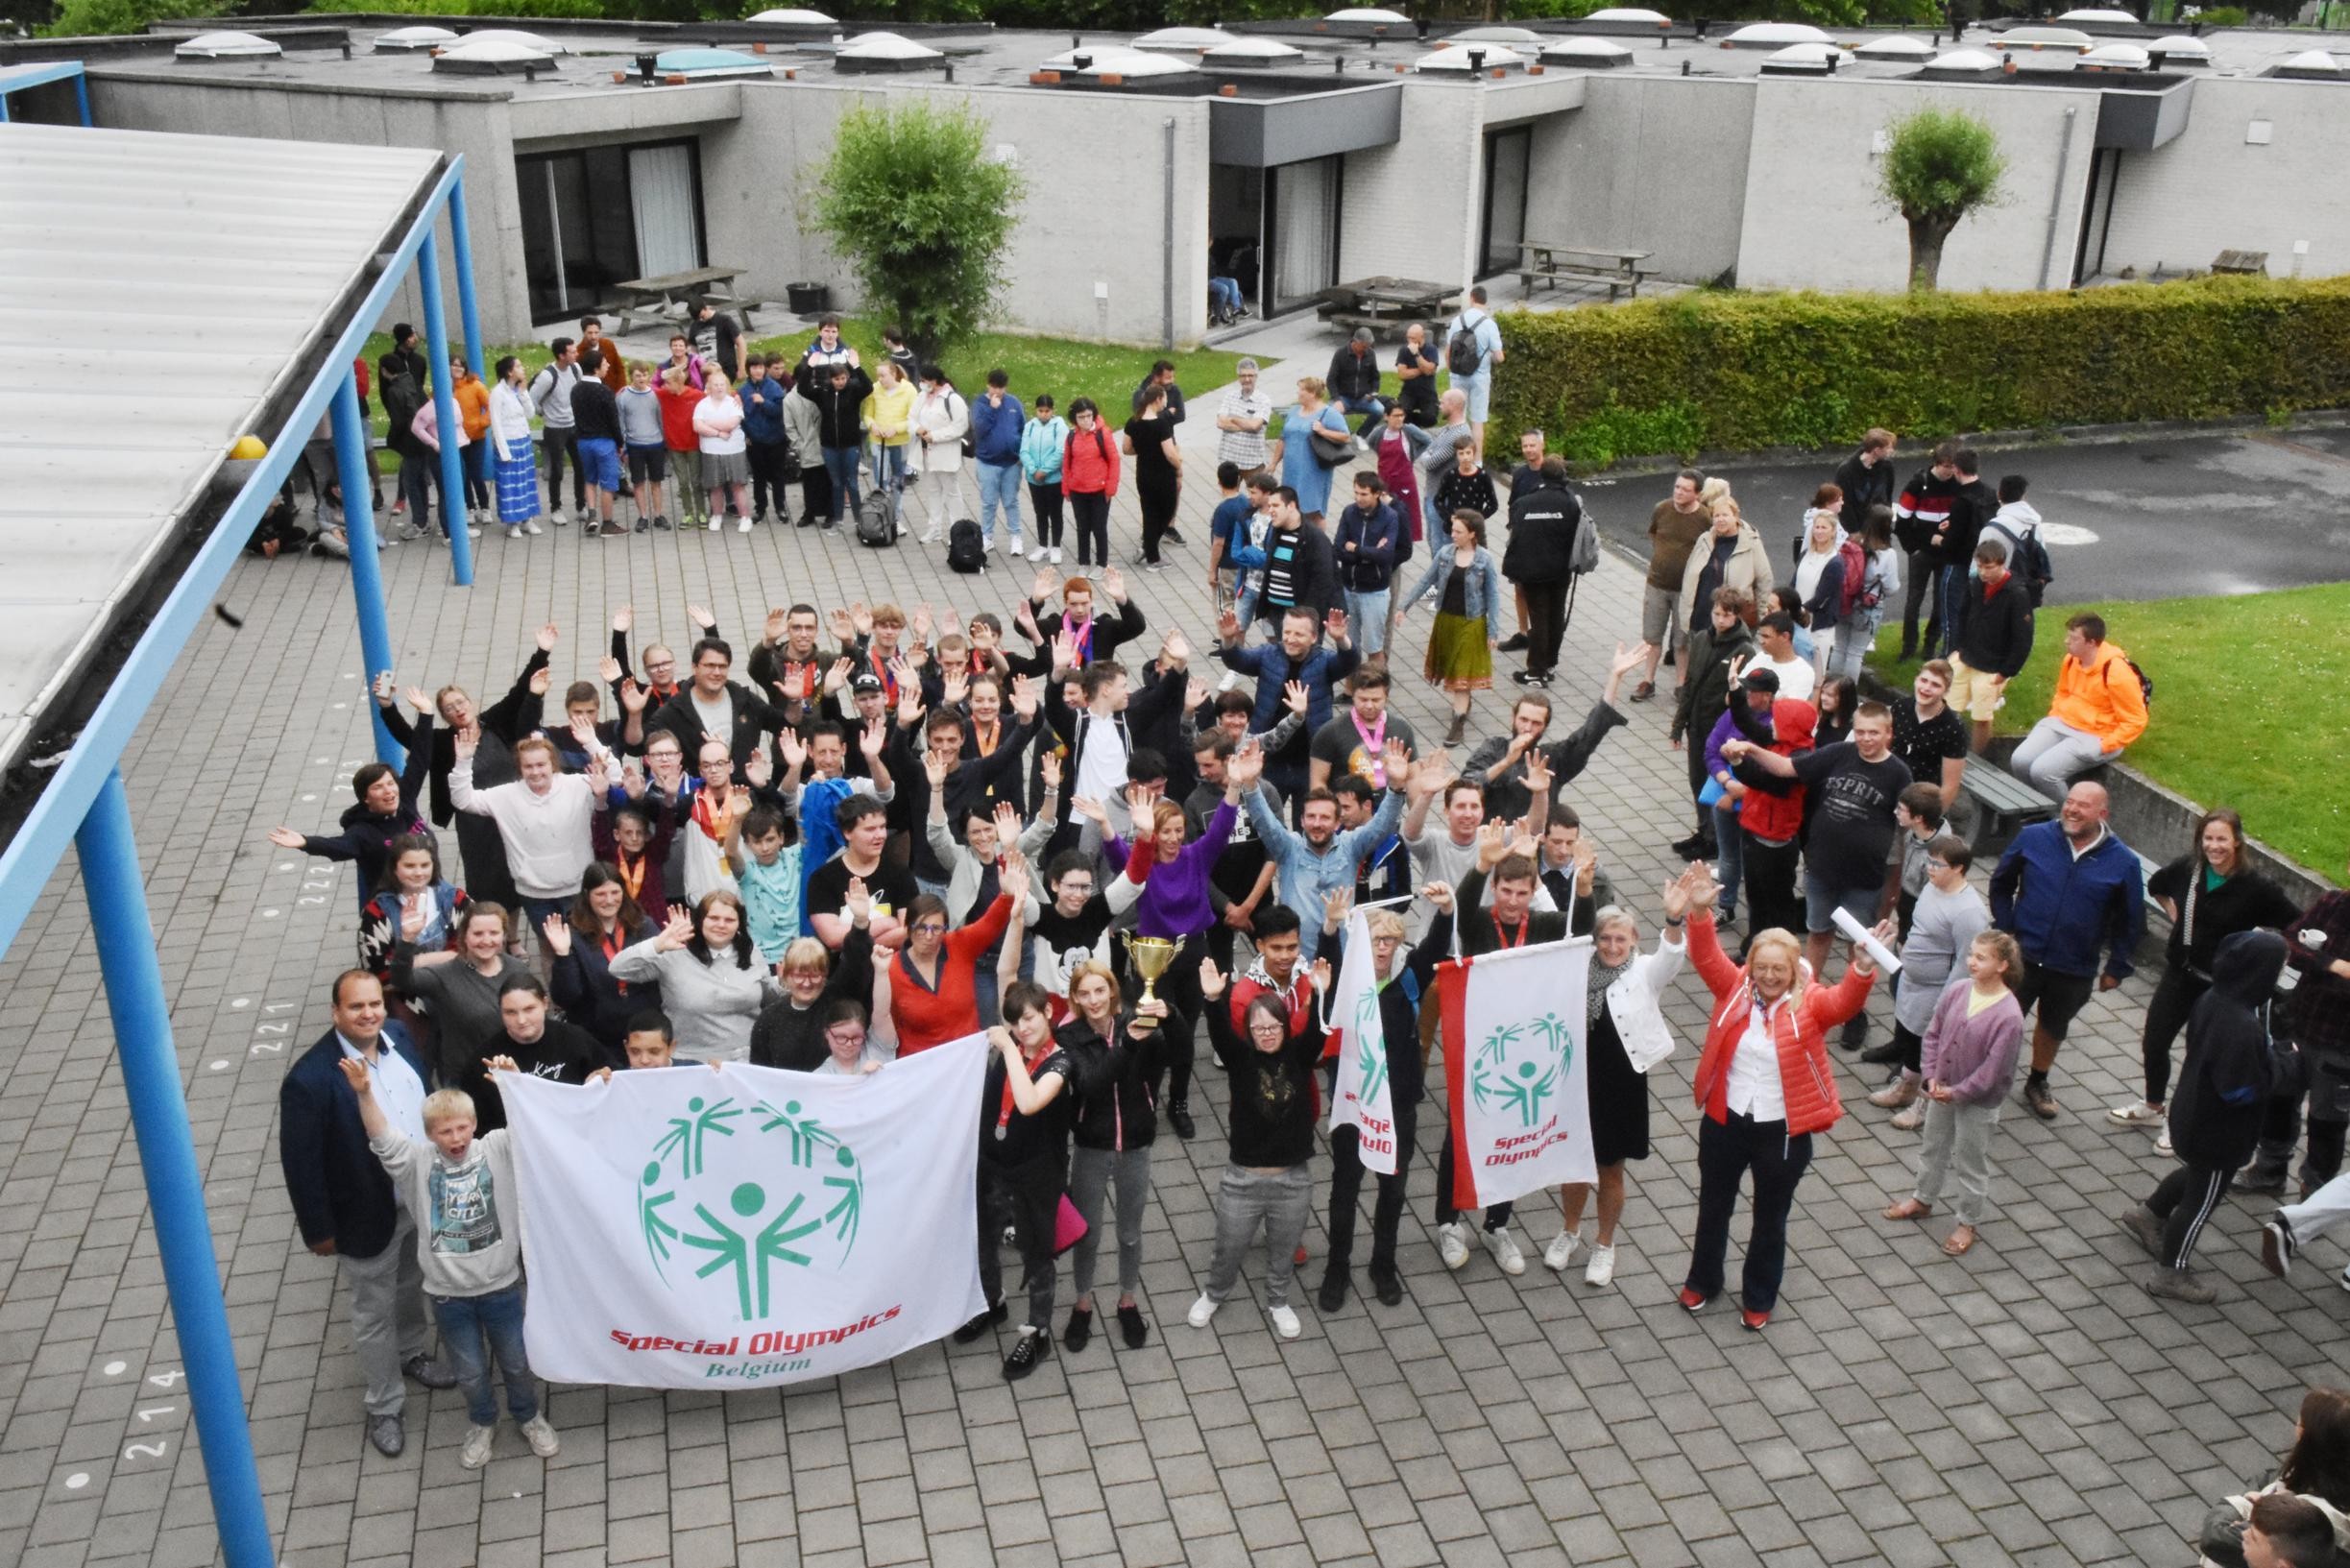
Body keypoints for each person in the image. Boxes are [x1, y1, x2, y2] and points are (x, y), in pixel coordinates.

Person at [1674, 867, 1886, 1329]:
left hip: (1783, 1131)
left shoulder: (1810, 1004)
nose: (1768, 976)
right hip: (1725, 1121)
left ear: (1794, 971)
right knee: (1713, 1205)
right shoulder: (1733, 989)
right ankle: (1703, 1280)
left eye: (1779, 969)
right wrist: (1700, 910)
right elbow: (1706, 954)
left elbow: (1844, 1004)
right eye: (1761, 967)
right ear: (1749, 965)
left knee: (1770, 1218)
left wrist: (1863, 967)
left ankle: (1759, 1295)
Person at [341, 1058, 556, 1468]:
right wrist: (365, 1093)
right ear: (429, 1134)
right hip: (448, 1298)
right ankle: (482, 1422)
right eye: (444, 1131)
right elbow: (382, 1136)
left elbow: (534, 1122)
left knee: (516, 1362)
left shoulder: (498, 1148)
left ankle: (529, 1416)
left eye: (461, 1127)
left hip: (502, 1289)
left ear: (474, 1124)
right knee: (471, 1372)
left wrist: (512, 1085)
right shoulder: (416, 1163)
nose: (455, 1137)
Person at [278, 971, 454, 1459]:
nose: (369, 1013)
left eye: (375, 1003)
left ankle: (412, 1353)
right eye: (356, 1007)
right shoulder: (309, 1080)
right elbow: (302, 1165)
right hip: (364, 1216)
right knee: (372, 1314)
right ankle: (384, 1403)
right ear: (336, 1012)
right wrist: (319, 1231)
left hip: (417, 1200)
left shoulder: (398, 1037)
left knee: (410, 1285)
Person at [1411, 837, 1564, 1275]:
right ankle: (1448, 1221)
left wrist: (1586, 887)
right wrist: (1480, 864)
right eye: (1505, 890)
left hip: (1523, 1050)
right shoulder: (1478, 921)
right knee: (1459, 1136)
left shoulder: (1542, 924)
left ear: (1532, 891)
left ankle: (1497, 1225)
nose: (1513, 901)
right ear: (1494, 887)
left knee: (1510, 1137)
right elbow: (1456, 905)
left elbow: (1582, 928)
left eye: (1522, 892)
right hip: (1477, 1046)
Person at [2108, 809, 2303, 1146]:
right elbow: (2157, 885)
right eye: (2208, 839)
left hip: (2219, 989)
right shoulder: (2189, 869)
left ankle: (2181, 1123)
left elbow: (2294, 924)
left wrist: (2264, 953)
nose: (2214, 846)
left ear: (2238, 841)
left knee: (2198, 1057)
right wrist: (2179, 919)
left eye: (2222, 839)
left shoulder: (2256, 887)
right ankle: (2154, 1105)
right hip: (2179, 974)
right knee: (2154, 1041)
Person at [2118, 930, 2287, 1303]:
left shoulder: (2214, 997)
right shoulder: (2242, 1026)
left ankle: (2148, 1214)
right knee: (2202, 1200)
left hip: (2192, 1112)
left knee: (2198, 1175)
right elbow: (2239, 1090)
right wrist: (2278, 1067)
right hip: (2220, 1133)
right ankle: (2170, 1272)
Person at [1546, 877, 1693, 1287]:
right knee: (1572, 1161)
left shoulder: (1646, 972)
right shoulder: (1578, 968)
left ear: (1634, 940)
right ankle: (1569, 1231)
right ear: (1595, 941)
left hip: (1622, 1084)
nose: (1612, 947)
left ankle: (1604, 1244)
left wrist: (1674, 918)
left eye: (1621, 940)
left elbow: (1672, 955)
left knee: (1610, 1168)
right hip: (1576, 1079)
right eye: (1605, 939)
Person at [1190, 955, 1331, 1339]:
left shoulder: (1300, 1056)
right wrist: (1213, 999)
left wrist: (1320, 990)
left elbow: (1319, 1031)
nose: (1266, 1033)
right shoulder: (1240, 1060)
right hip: (1242, 1181)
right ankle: (1214, 1293)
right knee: (1228, 1246)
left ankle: (1278, 1300)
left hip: (1293, 1181)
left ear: (1285, 1027)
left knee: (1284, 1251)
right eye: (1258, 1028)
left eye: (1273, 1027)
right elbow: (1219, 1033)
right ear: (1249, 1032)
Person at [1991, 782, 2146, 1121]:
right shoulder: (2034, 837)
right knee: (2002, 1020)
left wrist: (2117, 968)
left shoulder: (2123, 862)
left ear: (2102, 814)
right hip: (2021, 956)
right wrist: (2006, 928)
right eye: (2069, 802)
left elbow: (2131, 921)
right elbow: (2001, 883)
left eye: (2083, 806)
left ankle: (2037, 1080)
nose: (2072, 810)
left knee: (2053, 1025)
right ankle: (1988, 1078)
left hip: (2074, 965)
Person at [1881, 930, 2025, 1257]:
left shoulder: (2009, 1017)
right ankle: (1923, 1198)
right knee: (1933, 1146)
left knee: (1971, 1161)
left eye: (1981, 957)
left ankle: (1967, 1220)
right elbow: (1932, 1034)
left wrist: (1957, 1091)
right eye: (1971, 954)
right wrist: (1931, 1075)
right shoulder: (1959, 991)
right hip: (1942, 1089)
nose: (1971, 962)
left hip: (1976, 1102)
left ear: (2003, 965)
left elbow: (1993, 1071)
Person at [960, 982, 1076, 1381]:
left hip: (1036, 1176)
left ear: (1047, 1012)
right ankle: (993, 1302)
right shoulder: (1015, 1043)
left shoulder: (1060, 1063)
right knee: (984, 1237)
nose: (1021, 1028)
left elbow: (1027, 1103)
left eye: (1028, 1018)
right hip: (993, 1163)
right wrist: (1011, 918)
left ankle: (1038, 1332)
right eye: (1013, 1022)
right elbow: (1006, 969)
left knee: (1037, 1254)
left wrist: (1008, 1048)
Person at [1055, 961, 1165, 1355]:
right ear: (1075, 999)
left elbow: (1173, 1055)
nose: (1093, 1000)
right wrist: (1129, 1046)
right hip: (1092, 1146)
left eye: (1100, 991)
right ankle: (1083, 1302)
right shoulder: (1068, 1036)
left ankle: (1127, 1300)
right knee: (1088, 1233)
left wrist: (1175, 1015)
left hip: (1135, 1143)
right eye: (1084, 994)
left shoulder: (1137, 1020)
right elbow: (1092, 1085)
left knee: (1130, 1231)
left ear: (1113, 992)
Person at [1317, 908, 1422, 1312]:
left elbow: (1435, 946)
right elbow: (1328, 960)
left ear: (1398, 943)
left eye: (1390, 940)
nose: (1382, 947)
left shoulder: (1409, 977)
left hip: (1398, 1105)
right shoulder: (1352, 976)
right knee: (1345, 1187)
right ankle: (1337, 1267)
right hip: (1355, 1105)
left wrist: (1448, 910)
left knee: (1392, 1190)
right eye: (1376, 940)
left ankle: (1384, 1265)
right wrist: (1330, 927)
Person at [1867, 835, 1991, 1124]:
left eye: (1938, 864)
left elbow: (1965, 963)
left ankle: (1924, 1105)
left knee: (1931, 1050)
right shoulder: (1931, 889)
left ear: (1959, 868)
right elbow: (1917, 926)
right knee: (1910, 1038)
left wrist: (1946, 1005)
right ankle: (1905, 1089)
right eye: (1929, 861)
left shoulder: (1969, 912)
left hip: (1936, 992)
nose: (1929, 868)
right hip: (1911, 981)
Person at [1460, 654, 1639, 825]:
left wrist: (1615, 677)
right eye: (1523, 720)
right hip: (1491, 839)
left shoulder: (1552, 758)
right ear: (1513, 718)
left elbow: (1588, 735)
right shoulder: (1493, 748)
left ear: (1545, 727)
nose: (1528, 728)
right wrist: (1506, 762)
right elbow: (1466, 786)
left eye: (1536, 723)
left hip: (1533, 843)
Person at [606, 894, 785, 1063]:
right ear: (700, 920)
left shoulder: (752, 953)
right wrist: (658, 944)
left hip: (746, 1060)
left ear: (740, 924)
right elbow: (618, 969)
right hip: (690, 1063)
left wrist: (785, 985)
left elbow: (768, 999)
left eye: (729, 920)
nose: (721, 925)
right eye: (713, 918)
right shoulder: (673, 952)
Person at [2191, 1390, 2350, 1567]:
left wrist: (2239, 1505)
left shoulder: (2302, 1522)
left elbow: (2216, 1538)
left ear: (2304, 1435)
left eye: (2298, 1423)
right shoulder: (2324, 1479)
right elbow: (2268, 1478)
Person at [2011, 613, 2150, 802]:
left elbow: (2135, 720)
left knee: (2043, 772)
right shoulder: (2071, 660)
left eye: (2073, 638)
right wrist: (2056, 714)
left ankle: (2066, 819)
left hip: (2097, 735)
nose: (2066, 641)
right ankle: (2035, 810)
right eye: (2068, 635)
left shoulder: (2117, 672)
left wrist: (2104, 746)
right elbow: (2063, 692)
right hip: (2063, 723)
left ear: (2091, 643)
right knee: (2020, 760)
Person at [1395, 510, 1506, 746]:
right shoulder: (1446, 554)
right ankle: (1463, 705)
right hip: (1446, 620)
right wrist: (1404, 606)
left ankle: (1457, 726)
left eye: (1458, 531)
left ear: (1472, 534)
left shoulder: (1484, 559)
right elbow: (1426, 580)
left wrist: (1493, 631)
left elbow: (1493, 596)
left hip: (1472, 623)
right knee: (1455, 673)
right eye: (1453, 530)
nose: (1452, 534)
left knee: (1460, 677)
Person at [877, 875, 1020, 1055]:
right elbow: (887, 1021)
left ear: (945, 929)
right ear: (907, 928)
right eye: (921, 927)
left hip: (967, 1058)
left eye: (936, 929)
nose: (928, 936)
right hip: (920, 1065)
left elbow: (990, 924)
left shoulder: (959, 945)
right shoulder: (891, 969)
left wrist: (1007, 894)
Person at [1668, 589, 1757, 860]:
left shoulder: (1744, 650)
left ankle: (1715, 838)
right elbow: (1690, 684)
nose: (1720, 620)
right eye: (1716, 613)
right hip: (1696, 725)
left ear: (1737, 616)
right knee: (1697, 780)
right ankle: (1703, 829)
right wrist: (1678, 724)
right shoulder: (1701, 639)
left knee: (1715, 781)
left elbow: (1742, 699)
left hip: (1720, 731)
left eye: (1726, 615)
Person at [545, 864, 658, 1066]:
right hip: (599, 1040)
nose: (609, 900)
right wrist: (563, 955)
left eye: (615, 892)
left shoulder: (644, 926)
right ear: (587, 895)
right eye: (601, 894)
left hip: (645, 1039)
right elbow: (566, 997)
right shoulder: (573, 935)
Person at [1945, 540, 2036, 753]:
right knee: (1948, 706)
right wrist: (1958, 646)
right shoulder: (1975, 583)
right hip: (1967, 655)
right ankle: (1946, 748)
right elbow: (1963, 613)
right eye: (1980, 566)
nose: (1983, 573)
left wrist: (2006, 671)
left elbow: (2023, 638)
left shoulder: (2017, 593)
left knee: (1982, 716)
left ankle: (1977, 758)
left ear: (2002, 564)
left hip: (1993, 665)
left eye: (1989, 567)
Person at [1503, 456, 1583, 688]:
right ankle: (1548, 665)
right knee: (1556, 616)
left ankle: (1535, 672)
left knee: (1539, 619)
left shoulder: (1525, 503)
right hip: (1560, 570)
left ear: (1542, 476)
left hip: (1533, 571)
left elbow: (1515, 535)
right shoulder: (1571, 502)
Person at [1893, 441, 1961, 661]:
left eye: (1954, 467)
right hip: (1922, 553)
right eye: (1947, 466)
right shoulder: (1917, 484)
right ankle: (1908, 646)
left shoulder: (1958, 485)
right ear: (1936, 463)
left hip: (1947, 552)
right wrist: (1914, 548)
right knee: (1914, 600)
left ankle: (1930, 644)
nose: (1951, 471)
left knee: (1941, 599)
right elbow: (1902, 523)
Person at [1678, 495, 1774, 648]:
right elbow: (1689, 575)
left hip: (1732, 619)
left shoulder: (1751, 542)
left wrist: (1764, 617)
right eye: (1716, 515)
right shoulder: (1704, 539)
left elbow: (1765, 580)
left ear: (1736, 516)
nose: (1720, 519)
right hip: (1702, 616)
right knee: (1699, 663)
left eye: (1725, 515)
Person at [1826, 507, 1901, 684]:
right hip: (1867, 608)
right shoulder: (1887, 554)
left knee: (1839, 648)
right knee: (1855, 653)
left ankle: (1831, 688)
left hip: (1844, 602)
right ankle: (1847, 693)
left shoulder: (1851, 542)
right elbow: (1891, 588)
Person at [1332, 472, 1402, 657]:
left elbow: (1385, 556)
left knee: (1374, 650)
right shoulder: (1349, 512)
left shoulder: (1390, 517)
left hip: (1374, 592)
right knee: (1348, 649)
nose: (1358, 498)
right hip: (1349, 589)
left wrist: (1355, 549)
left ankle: (1376, 685)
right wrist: (1368, 554)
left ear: (1377, 494)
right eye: (1356, 492)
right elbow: (1338, 549)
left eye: (1363, 494)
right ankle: (1350, 686)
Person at [802, 352, 870, 531]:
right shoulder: (823, 393)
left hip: (850, 445)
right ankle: (838, 519)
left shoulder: (854, 392)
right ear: (830, 379)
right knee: (836, 483)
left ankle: (858, 520)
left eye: (843, 378)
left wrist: (856, 366)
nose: (840, 382)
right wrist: (809, 367)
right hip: (830, 446)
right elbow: (803, 389)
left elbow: (868, 387)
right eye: (836, 379)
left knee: (852, 484)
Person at [1271, 376, 1352, 526]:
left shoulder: (1329, 413)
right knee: (1292, 506)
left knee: (1313, 512)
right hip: (1292, 470)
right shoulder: (1294, 411)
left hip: (1314, 471)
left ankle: (1318, 546)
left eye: (1302, 389)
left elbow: (1346, 436)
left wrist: (1323, 431)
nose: (1298, 392)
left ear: (1313, 393)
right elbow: (1283, 438)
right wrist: (1274, 462)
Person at [1892, 659, 1970, 812]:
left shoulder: (1953, 727)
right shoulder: (1900, 707)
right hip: (1891, 784)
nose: (1926, 688)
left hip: (1923, 797)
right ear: (1916, 680)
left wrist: (1931, 819)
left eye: (1935, 685)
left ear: (1946, 691)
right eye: (1924, 680)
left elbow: (1951, 785)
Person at [523, 335, 585, 527]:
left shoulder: (576, 369)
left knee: (581, 465)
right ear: (561, 355)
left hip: (574, 425)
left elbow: (580, 390)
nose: (576, 354)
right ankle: (555, 508)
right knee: (557, 470)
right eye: (572, 352)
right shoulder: (548, 376)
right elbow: (531, 399)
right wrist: (544, 413)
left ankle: (581, 505)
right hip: (554, 428)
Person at [1124, 381, 1184, 570]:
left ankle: (1149, 551)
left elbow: (1126, 449)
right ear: (1158, 399)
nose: (1166, 402)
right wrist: (1179, 467)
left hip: (1143, 473)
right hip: (1163, 475)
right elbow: (1170, 453)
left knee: (1149, 513)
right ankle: (1152, 556)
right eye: (1164, 398)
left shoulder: (1133, 422)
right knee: (1166, 511)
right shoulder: (1161, 424)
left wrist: (1144, 450)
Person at [910, 365, 971, 546]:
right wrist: (918, 429)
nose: (921, 384)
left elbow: (960, 427)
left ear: (934, 381)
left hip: (946, 454)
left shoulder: (952, 399)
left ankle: (957, 531)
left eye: (924, 380)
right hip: (925, 453)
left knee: (951, 492)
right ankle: (934, 529)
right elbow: (911, 417)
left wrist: (935, 436)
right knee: (933, 491)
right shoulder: (922, 397)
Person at [569, 347, 626, 537]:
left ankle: (591, 515)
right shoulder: (604, 391)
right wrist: (620, 443)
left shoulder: (576, 390)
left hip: (583, 442)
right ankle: (608, 523)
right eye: (604, 363)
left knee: (590, 480)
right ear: (595, 368)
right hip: (604, 442)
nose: (607, 366)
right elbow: (613, 421)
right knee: (608, 485)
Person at [485, 354, 544, 537]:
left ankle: (528, 519)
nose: (522, 369)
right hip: (508, 443)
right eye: (518, 366)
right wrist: (504, 450)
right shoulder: (497, 393)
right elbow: (495, 422)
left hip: (523, 441)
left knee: (526, 481)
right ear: (510, 372)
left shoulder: (518, 390)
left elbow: (531, 414)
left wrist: (524, 393)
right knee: (510, 484)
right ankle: (513, 523)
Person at [1444, 283, 1505, 459]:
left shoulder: (1457, 320)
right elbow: (1499, 357)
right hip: (1480, 377)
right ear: (1485, 302)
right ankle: (1477, 462)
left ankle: (1456, 458)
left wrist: (1453, 370)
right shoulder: (1489, 324)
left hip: (1457, 376)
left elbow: (1448, 352)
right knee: (1477, 421)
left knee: (1457, 419)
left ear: (1471, 298)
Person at [969, 368, 1026, 556]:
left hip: (1011, 463)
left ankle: (1016, 536)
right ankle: (987, 536)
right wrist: (992, 410)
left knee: (1011, 501)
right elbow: (979, 430)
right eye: (994, 387)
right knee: (989, 502)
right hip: (988, 463)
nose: (997, 392)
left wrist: (1021, 454)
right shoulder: (980, 404)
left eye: (1001, 388)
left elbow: (1022, 428)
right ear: (988, 385)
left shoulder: (1014, 403)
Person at [1060, 398, 1121, 569]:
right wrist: (1066, 488)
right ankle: (1084, 563)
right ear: (1075, 419)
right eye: (1081, 417)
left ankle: (1101, 564)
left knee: (1099, 528)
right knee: (1082, 528)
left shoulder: (1103, 434)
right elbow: (1067, 462)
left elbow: (1114, 460)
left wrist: (1110, 488)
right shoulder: (1072, 436)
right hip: (1078, 490)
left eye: (1089, 416)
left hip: (1100, 490)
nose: (1086, 420)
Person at [692, 369, 750, 533]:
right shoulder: (702, 404)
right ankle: (717, 515)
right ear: (709, 387)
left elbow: (731, 424)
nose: (719, 387)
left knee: (737, 485)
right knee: (715, 486)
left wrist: (709, 423)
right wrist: (718, 432)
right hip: (711, 451)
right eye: (715, 385)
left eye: (722, 384)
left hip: (734, 450)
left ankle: (745, 517)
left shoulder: (733, 402)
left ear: (727, 385)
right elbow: (697, 426)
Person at [739, 353, 790, 524]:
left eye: (760, 367)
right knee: (759, 477)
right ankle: (760, 508)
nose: (758, 371)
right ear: (749, 370)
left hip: (776, 439)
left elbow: (780, 411)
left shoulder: (774, 388)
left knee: (777, 476)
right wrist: (746, 435)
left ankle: (780, 507)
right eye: (754, 368)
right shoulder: (743, 390)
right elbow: (740, 416)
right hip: (755, 441)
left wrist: (763, 402)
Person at [1832, 428, 1897, 542]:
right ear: (1876, 450)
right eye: (1889, 448)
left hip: (1880, 529)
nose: (1892, 451)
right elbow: (1845, 505)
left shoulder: (1887, 467)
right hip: (1857, 530)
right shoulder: (1846, 471)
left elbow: (1888, 496)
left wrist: (1887, 524)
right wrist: (1853, 531)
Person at [1215, 357, 1274, 477]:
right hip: (1229, 460)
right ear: (1238, 377)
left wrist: (1232, 419)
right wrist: (1247, 424)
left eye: (1250, 375)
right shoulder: (1229, 397)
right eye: (1243, 376)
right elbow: (1220, 423)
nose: (1247, 379)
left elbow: (1254, 426)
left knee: (1256, 495)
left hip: (1252, 461)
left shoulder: (1263, 400)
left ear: (1256, 376)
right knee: (1229, 495)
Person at [1327, 326, 1387, 435]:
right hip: (1344, 397)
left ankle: (1361, 434)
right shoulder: (1340, 354)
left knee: (1380, 410)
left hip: (1363, 398)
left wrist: (1374, 392)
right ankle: (1347, 434)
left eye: (1368, 346)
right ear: (1355, 342)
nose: (1366, 349)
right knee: (1333, 412)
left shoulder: (1371, 354)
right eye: (1364, 346)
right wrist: (1336, 399)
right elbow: (1331, 379)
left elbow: (1375, 377)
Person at [1394, 320, 1440, 429]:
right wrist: (1422, 369)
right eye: (1408, 338)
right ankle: (1411, 423)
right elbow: (1402, 374)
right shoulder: (1404, 350)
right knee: (1399, 414)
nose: (1410, 341)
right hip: (1409, 392)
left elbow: (1429, 371)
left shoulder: (1431, 349)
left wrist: (1417, 354)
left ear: (1422, 337)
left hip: (1427, 393)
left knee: (1430, 418)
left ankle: (1413, 422)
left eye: (1413, 338)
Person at [688, 296, 743, 382]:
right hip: (705, 371)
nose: (701, 320)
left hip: (725, 369)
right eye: (698, 319)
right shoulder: (695, 325)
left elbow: (741, 343)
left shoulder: (724, 320)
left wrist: (741, 368)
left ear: (705, 308)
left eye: (702, 316)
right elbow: (693, 350)